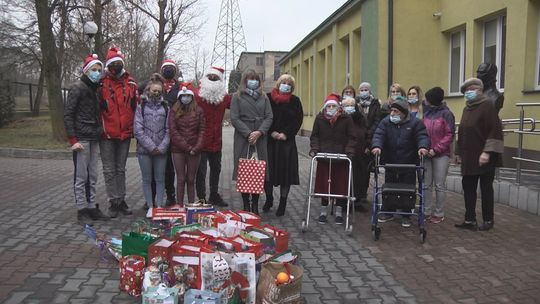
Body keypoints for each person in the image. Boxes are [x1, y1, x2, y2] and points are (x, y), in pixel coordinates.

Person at [64, 54, 109, 222]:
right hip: (81, 139)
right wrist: (73, 140)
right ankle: (81, 210)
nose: (97, 73)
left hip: (94, 137)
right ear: (86, 70)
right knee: (81, 177)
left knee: (93, 176)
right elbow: (68, 114)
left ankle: (91, 207)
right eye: (93, 70)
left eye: (99, 70)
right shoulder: (78, 88)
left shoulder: (95, 89)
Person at [371, 99, 430, 228]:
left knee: (407, 189)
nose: (392, 113)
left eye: (396, 111)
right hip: (391, 162)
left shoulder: (415, 123)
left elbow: (422, 136)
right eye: (391, 110)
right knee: (389, 187)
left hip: (408, 163)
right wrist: (377, 146)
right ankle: (388, 212)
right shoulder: (386, 122)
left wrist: (422, 147)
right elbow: (379, 135)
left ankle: (406, 214)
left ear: (403, 113)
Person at [455, 78, 503, 231]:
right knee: (468, 187)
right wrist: (458, 152)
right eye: (467, 90)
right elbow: (462, 131)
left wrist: (487, 152)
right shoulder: (467, 108)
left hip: (484, 156)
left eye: (472, 88)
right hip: (469, 156)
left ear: (480, 90)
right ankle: (470, 220)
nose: (469, 92)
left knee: (486, 187)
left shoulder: (488, 105)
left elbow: (494, 130)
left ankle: (488, 220)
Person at [99, 47, 138, 218]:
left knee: (120, 169)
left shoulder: (131, 83)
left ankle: (121, 200)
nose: (116, 66)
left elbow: (135, 107)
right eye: (112, 64)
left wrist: (134, 129)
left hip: (125, 133)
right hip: (106, 133)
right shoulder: (101, 83)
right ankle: (113, 202)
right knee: (109, 169)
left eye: (118, 63)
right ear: (108, 66)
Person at [230, 69, 273, 214]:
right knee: (244, 169)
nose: (253, 81)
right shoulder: (237, 97)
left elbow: (269, 117)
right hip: (243, 137)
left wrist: (260, 132)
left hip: (260, 137)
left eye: (255, 78)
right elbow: (234, 118)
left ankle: (255, 204)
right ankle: (245, 204)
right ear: (244, 80)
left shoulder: (264, 97)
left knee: (257, 170)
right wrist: (248, 133)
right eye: (250, 78)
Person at [309, 94, 356, 225]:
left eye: (333, 106)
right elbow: (315, 136)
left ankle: (339, 211)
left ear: (338, 107)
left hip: (341, 157)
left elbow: (352, 137)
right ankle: (323, 210)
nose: (331, 108)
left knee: (340, 184)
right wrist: (315, 149)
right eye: (328, 106)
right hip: (324, 156)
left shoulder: (346, 119)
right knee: (324, 184)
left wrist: (349, 151)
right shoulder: (319, 119)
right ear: (325, 107)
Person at [263, 74, 304, 216]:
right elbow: (265, 116)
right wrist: (271, 132)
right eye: (283, 82)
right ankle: (269, 199)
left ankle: (283, 203)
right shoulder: (268, 98)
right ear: (278, 84)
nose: (285, 84)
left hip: (287, 143)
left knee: (285, 175)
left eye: (288, 83)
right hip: (270, 142)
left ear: (292, 87)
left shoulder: (295, 101)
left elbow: (298, 120)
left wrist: (286, 133)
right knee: (267, 174)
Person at [195, 66, 232, 207]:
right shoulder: (196, 95)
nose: (212, 79)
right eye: (210, 77)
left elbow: (238, 105)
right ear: (205, 79)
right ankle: (201, 197)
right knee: (201, 170)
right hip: (200, 140)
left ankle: (214, 195)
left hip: (216, 140)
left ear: (220, 81)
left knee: (216, 169)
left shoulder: (224, 97)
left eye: (215, 78)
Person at [134, 76, 170, 211]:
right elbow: (138, 130)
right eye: (154, 90)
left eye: (159, 91)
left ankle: (159, 206)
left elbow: (169, 129)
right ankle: (150, 206)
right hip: (145, 151)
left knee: (160, 179)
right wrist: (151, 147)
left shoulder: (166, 108)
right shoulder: (140, 108)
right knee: (147, 179)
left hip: (161, 151)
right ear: (148, 91)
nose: (156, 93)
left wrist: (161, 147)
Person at [422, 87, 455, 224]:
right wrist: (425, 148)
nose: (425, 101)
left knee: (439, 185)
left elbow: (449, 135)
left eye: (427, 98)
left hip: (441, 154)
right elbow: (422, 132)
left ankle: (439, 213)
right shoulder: (427, 113)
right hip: (427, 153)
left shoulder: (447, 114)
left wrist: (436, 149)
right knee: (426, 184)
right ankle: (426, 211)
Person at [169, 86, 206, 207]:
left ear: (192, 97)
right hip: (178, 150)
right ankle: (179, 205)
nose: (186, 98)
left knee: (191, 179)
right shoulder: (173, 111)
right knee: (180, 179)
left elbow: (202, 130)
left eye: (188, 96)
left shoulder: (199, 110)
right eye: (183, 96)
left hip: (195, 150)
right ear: (180, 97)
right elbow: (173, 131)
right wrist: (187, 147)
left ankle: (191, 205)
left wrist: (196, 147)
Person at [159, 59, 183, 205]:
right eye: (165, 68)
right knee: (159, 167)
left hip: (176, 132)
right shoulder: (156, 87)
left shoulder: (180, 88)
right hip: (159, 132)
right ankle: (157, 195)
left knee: (173, 167)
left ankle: (172, 195)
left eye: (171, 68)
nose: (168, 70)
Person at [340, 97, 369, 212]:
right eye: (346, 105)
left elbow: (366, 132)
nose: (349, 107)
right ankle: (342, 202)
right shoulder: (341, 118)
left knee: (358, 178)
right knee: (344, 178)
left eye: (351, 105)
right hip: (344, 153)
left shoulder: (361, 119)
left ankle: (357, 201)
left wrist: (368, 145)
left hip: (359, 152)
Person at [355, 81, 382, 205]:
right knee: (355, 169)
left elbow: (377, 121)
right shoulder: (355, 103)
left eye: (366, 89)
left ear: (370, 91)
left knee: (365, 170)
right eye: (361, 89)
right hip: (357, 140)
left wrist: (368, 134)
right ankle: (354, 193)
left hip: (369, 139)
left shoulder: (375, 104)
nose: (363, 91)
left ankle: (363, 194)